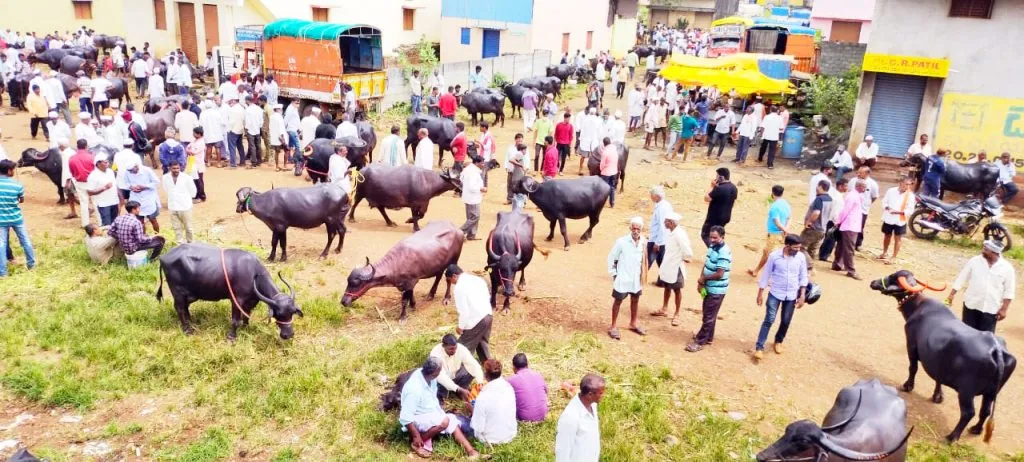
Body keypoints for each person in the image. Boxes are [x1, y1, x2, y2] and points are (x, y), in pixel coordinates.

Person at [398, 357, 481, 459]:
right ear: (434, 373)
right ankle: (417, 442)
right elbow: (406, 417)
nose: (441, 372)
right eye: (440, 370)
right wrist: (416, 436)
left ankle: (471, 452)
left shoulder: (428, 376)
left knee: (451, 420)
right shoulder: (414, 389)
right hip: (417, 418)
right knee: (445, 421)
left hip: (430, 413)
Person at [753, 234, 809, 361]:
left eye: (799, 247)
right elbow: (766, 275)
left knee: (785, 321)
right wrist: (760, 293)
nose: (798, 250)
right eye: (795, 247)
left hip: (791, 294)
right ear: (787, 245)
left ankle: (778, 341)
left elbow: (803, 276)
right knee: (769, 319)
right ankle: (759, 347)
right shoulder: (774, 257)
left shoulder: (800, 258)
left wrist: (802, 295)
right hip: (775, 293)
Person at [947, 240, 1016, 333]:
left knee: (986, 339)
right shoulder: (974, 261)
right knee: (967, 334)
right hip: (971, 305)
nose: (983, 251)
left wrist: (1004, 309)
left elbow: (1009, 290)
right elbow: (962, 278)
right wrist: (952, 294)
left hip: (991, 309)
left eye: (986, 250)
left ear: (994, 253)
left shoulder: (1007, 268)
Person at [686, 225, 730, 352]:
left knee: (708, 316)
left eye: (715, 238)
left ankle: (700, 341)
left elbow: (719, 273)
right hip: (709, 287)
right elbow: (706, 264)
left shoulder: (724, 252)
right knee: (709, 314)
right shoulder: (712, 247)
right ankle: (709, 337)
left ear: (722, 237)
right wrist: (701, 280)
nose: (712, 240)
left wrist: (704, 279)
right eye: (711, 237)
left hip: (717, 289)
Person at [607, 217, 648, 340]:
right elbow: (612, 257)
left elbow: (644, 259)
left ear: (641, 229)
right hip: (623, 276)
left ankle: (633, 323)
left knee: (635, 299)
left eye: (638, 228)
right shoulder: (622, 242)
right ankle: (613, 326)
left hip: (636, 278)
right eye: (634, 228)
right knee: (618, 301)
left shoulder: (643, 242)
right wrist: (614, 273)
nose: (636, 230)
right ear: (630, 228)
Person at [651, 211, 693, 325]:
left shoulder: (679, 234)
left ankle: (677, 313)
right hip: (668, 265)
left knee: (677, 290)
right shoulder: (671, 232)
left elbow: (687, 250)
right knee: (667, 287)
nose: (664, 223)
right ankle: (664, 308)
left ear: (671, 223)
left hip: (676, 267)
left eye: (666, 221)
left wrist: (685, 258)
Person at [446, 264, 493, 361]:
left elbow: (464, 311)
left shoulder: (459, 287)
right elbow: (488, 297)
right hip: (488, 315)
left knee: (462, 348)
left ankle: (459, 372)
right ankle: (490, 369)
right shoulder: (477, 280)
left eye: (450, 280)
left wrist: (461, 327)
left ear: (454, 276)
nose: (452, 283)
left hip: (477, 320)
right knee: (482, 344)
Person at [555, 373, 604, 462]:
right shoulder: (570, 417)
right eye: (600, 393)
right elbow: (562, 451)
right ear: (590, 395)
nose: (603, 395)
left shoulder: (593, 405)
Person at [0, 160, 36, 277]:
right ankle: (31, 265)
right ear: (9, 170)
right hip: (16, 218)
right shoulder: (17, 185)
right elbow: (21, 200)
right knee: (25, 241)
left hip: (1, 220)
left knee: (1, 244)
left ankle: (3, 273)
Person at [469, 359, 517, 444]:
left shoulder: (483, 396)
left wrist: (472, 410)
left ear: (486, 375)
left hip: (489, 439)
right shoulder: (509, 388)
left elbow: (478, 427)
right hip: (510, 435)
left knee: (459, 421)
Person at [748, 185, 790, 278]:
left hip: (774, 234)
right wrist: (786, 229)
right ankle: (756, 270)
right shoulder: (786, 204)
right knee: (767, 252)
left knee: (771, 255)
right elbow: (789, 218)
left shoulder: (774, 206)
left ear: (772, 193)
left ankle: (771, 276)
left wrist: (784, 229)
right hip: (780, 234)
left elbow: (776, 221)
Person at [429, 334, 485, 400]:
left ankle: (461, 389)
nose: (454, 351)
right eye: (451, 349)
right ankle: (454, 391)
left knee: (471, 368)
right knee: (438, 396)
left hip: (455, 375)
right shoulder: (435, 353)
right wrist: (457, 389)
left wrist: (480, 382)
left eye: (455, 348)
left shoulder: (461, 349)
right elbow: (441, 376)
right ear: (443, 346)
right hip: (440, 381)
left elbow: (473, 365)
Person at [832, 180, 865, 280]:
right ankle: (850, 270)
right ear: (859, 186)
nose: (865, 189)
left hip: (850, 225)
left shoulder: (856, 196)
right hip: (850, 225)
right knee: (849, 249)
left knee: (842, 245)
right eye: (864, 187)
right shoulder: (852, 196)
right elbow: (845, 210)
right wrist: (839, 221)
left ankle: (837, 264)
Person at [879, 177, 916, 263]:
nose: (907, 187)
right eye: (906, 184)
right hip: (889, 217)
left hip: (900, 220)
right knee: (887, 235)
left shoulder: (910, 196)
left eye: (909, 185)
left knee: (898, 238)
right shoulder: (890, 191)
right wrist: (888, 209)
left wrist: (899, 213)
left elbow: (910, 209)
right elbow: (884, 202)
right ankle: (884, 252)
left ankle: (894, 257)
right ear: (901, 183)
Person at [701, 167, 737, 247]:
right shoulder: (734, 187)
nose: (715, 178)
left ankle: (715, 251)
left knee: (706, 235)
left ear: (721, 177)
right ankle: (720, 248)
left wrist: (713, 187)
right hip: (726, 216)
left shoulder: (719, 188)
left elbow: (707, 198)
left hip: (715, 217)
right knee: (718, 235)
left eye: (717, 176)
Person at [162, 161, 197, 244]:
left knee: (189, 228)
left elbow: (193, 192)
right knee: (176, 228)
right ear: (169, 168)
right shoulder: (165, 178)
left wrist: (183, 198)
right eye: (174, 168)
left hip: (185, 207)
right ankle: (180, 245)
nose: (176, 170)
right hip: (172, 206)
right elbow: (166, 190)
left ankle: (191, 244)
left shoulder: (186, 178)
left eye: (178, 168)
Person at [800, 180, 833, 268]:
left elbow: (816, 213)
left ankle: (809, 265)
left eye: (817, 186)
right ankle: (808, 267)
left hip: (813, 228)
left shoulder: (819, 199)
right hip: (822, 229)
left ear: (820, 186)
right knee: (812, 249)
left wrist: (809, 222)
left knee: (800, 246)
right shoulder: (829, 199)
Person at [507, 353, 548, 422]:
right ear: (527, 364)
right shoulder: (538, 375)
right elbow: (546, 392)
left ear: (513, 367)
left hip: (525, 419)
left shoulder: (511, 380)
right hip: (542, 415)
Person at [123, 160, 161, 233]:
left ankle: (157, 236)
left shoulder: (147, 170)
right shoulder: (128, 172)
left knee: (153, 220)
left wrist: (145, 187)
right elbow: (126, 183)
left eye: (132, 170)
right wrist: (131, 187)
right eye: (129, 170)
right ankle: (143, 238)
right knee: (140, 222)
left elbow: (157, 182)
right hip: (136, 199)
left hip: (148, 199)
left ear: (137, 166)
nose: (131, 172)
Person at [85, 153, 119, 226]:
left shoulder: (110, 172)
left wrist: (120, 198)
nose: (108, 163)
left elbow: (115, 185)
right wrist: (104, 188)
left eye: (107, 161)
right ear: (98, 163)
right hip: (103, 204)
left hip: (114, 201)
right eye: (105, 162)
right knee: (107, 224)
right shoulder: (93, 176)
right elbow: (89, 192)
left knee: (115, 223)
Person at [68, 139, 96, 227]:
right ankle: (100, 222)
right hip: (92, 182)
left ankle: (85, 224)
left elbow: (72, 172)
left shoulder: (72, 158)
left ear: (77, 146)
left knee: (84, 203)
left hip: (80, 182)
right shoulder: (92, 157)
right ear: (86, 146)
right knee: (96, 202)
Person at [851, 166, 879, 251]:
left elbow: (874, 196)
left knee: (860, 226)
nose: (858, 174)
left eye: (861, 173)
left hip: (863, 209)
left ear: (867, 174)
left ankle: (858, 243)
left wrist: (867, 204)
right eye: (858, 172)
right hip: (852, 208)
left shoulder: (873, 184)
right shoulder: (853, 181)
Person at [459, 155, 486, 240]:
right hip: (472, 198)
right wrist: (481, 188)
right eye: (482, 162)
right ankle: (459, 232)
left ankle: (471, 235)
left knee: (471, 217)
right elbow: (472, 187)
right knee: (475, 217)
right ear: (477, 163)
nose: (483, 164)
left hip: (469, 196)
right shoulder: (473, 172)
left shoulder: (468, 169)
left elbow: (461, 178)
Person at [646, 185, 671, 272]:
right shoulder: (665, 205)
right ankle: (663, 281)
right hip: (663, 239)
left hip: (657, 239)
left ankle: (639, 279)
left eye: (651, 195)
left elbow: (662, 226)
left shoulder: (662, 208)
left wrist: (657, 242)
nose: (651, 197)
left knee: (647, 260)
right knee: (661, 261)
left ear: (656, 196)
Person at [187, 127, 207, 202]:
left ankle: (201, 196)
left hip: (197, 164)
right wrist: (188, 150)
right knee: (194, 180)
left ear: (198, 134)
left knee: (198, 180)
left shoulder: (201, 143)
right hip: (192, 163)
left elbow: (192, 152)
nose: (193, 134)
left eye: (194, 133)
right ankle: (196, 195)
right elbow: (188, 148)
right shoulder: (195, 140)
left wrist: (188, 150)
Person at [598, 138, 619, 207]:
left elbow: (602, 164)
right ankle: (612, 202)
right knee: (612, 187)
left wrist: (601, 169)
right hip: (614, 171)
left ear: (604, 144)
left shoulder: (605, 152)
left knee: (604, 188)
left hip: (606, 172)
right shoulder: (614, 148)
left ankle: (601, 203)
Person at [243, 96, 263, 167]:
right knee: (258, 145)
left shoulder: (248, 110)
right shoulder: (259, 109)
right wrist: (259, 127)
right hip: (257, 129)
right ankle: (259, 160)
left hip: (250, 130)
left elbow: (246, 121)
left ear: (248, 101)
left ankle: (254, 161)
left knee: (252, 146)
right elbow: (261, 120)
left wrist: (246, 129)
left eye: (245, 100)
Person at [226, 97, 246, 168]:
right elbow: (244, 120)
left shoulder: (233, 109)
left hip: (233, 130)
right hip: (240, 130)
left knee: (232, 147)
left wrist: (228, 130)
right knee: (240, 146)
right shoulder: (242, 108)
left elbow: (231, 122)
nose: (230, 102)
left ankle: (233, 164)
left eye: (231, 101)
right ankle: (242, 161)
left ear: (234, 101)